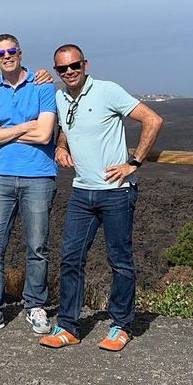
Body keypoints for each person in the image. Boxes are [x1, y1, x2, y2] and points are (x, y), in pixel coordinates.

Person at [41, 44, 163, 352]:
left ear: (85, 64)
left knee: (119, 260)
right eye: (62, 68)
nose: (69, 72)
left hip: (116, 192)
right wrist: (61, 146)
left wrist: (133, 162)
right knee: (71, 258)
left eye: (74, 66)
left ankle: (121, 325)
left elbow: (153, 120)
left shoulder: (108, 91)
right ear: (57, 71)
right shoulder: (60, 97)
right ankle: (68, 326)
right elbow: (68, 126)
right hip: (82, 192)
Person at [0, 35, 58, 334]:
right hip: (1, 175)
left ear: (20, 52)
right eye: (0, 53)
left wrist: (5, 130)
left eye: (11, 51)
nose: (7, 56)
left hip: (39, 175)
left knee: (37, 246)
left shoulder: (43, 85)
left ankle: (35, 306)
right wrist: (26, 126)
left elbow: (45, 135)